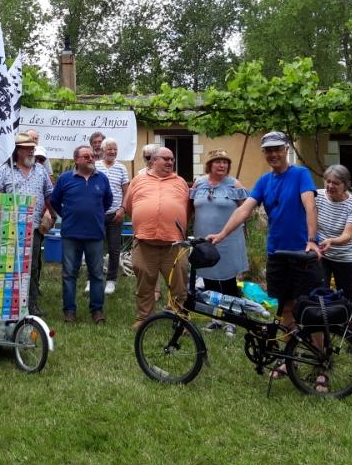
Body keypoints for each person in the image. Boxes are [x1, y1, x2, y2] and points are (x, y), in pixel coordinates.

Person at [207, 131, 321, 370]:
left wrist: (312, 240)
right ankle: (287, 361)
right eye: (269, 150)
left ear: (286, 149)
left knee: (309, 310)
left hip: (303, 253)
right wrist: (222, 234)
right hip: (278, 254)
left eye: (277, 149)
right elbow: (243, 210)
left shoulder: (300, 174)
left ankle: (320, 363)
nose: (273, 154)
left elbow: (310, 204)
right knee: (285, 307)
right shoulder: (264, 181)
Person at [123, 146, 190, 330]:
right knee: (145, 284)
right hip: (145, 243)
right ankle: (144, 317)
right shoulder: (138, 181)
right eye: (165, 159)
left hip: (174, 244)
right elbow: (129, 206)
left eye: (171, 159)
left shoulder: (181, 182)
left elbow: (187, 209)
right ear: (153, 161)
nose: (170, 162)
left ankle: (179, 319)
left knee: (179, 284)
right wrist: (145, 218)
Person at [0, 133, 54, 316]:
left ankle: (31, 305)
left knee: (32, 266)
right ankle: (9, 303)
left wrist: (53, 214)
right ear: (17, 151)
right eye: (27, 148)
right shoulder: (5, 171)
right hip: (9, 227)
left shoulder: (40, 170)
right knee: (9, 265)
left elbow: (49, 194)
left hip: (33, 227)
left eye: (32, 148)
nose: (31, 151)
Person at [49, 145, 112, 324]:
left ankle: (97, 310)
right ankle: (69, 311)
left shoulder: (102, 179)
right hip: (71, 234)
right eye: (86, 156)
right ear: (76, 159)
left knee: (97, 274)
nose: (91, 158)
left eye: (92, 156)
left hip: (95, 235)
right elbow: (54, 201)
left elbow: (107, 202)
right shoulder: (65, 179)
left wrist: (95, 215)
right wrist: (69, 215)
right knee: (69, 274)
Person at [190, 149, 248, 335]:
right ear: (209, 165)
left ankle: (232, 319)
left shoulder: (234, 184)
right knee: (209, 280)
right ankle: (215, 318)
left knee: (228, 281)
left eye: (225, 162)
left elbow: (246, 208)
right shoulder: (199, 183)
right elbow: (189, 207)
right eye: (218, 162)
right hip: (204, 240)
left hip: (228, 240)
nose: (222, 165)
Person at [316, 164, 352, 336]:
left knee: (347, 296)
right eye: (328, 181)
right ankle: (324, 331)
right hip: (321, 254)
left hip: (345, 257)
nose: (330, 186)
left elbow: (347, 236)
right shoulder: (318, 196)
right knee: (320, 293)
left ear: (346, 185)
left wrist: (331, 241)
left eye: (335, 183)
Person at [94, 137, 130, 295]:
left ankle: (111, 280)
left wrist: (123, 209)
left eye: (115, 149)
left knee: (114, 249)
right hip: (96, 214)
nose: (113, 152)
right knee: (95, 248)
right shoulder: (95, 166)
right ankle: (93, 278)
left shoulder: (122, 168)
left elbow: (127, 191)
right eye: (110, 149)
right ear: (102, 150)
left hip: (115, 214)